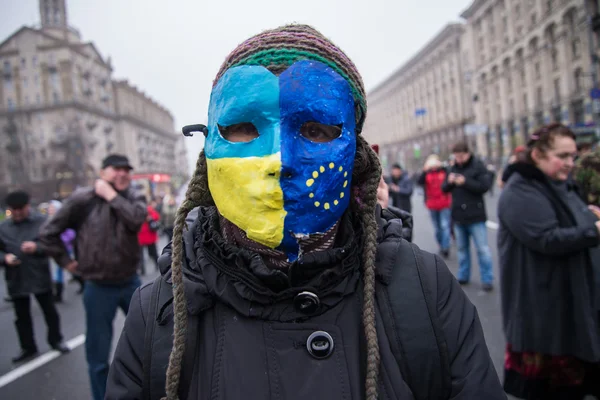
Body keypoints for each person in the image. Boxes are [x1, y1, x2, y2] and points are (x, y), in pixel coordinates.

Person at [105, 24, 504, 400]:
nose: (280, 160)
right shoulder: (156, 315)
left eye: (315, 130)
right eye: (243, 128)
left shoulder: (425, 288)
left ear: (356, 156)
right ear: (208, 147)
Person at [498, 123, 600, 399]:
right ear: (538, 155)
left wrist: (588, 216)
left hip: (571, 303)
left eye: (573, 156)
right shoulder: (520, 191)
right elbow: (547, 238)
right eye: (562, 156)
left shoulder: (560, 184)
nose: (570, 163)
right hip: (543, 312)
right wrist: (594, 229)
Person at [39, 154, 147, 400]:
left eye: (126, 170)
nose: (122, 174)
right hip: (98, 287)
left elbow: (136, 220)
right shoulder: (82, 199)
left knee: (151, 341)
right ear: (102, 172)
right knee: (98, 355)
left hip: (131, 282)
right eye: (115, 169)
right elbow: (48, 233)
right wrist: (67, 263)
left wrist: (111, 196)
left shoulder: (133, 195)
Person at [0, 191, 69, 363]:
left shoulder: (41, 222)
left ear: (27, 207)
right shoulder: (4, 228)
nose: (17, 213)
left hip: (38, 273)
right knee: (21, 316)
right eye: (13, 210)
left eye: (20, 209)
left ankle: (56, 340)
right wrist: (5, 258)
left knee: (49, 311)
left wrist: (36, 248)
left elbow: (53, 245)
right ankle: (28, 347)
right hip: (16, 277)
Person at [442, 142, 494, 291]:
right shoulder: (452, 168)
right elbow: (444, 188)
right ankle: (463, 275)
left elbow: (484, 187)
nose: (458, 159)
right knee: (462, 249)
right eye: (456, 157)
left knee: (482, 249)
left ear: (467, 153)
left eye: (461, 156)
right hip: (458, 215)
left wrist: (465, 182)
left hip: (476, 215)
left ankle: (487, 278)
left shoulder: (477, 166)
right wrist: (451, 182)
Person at [418, 155, 452, 258]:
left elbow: (450, 174)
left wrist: (442, 166)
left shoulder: (444, 171)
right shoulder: (427, 173)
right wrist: (424, 170)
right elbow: (419, 182)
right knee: (437, 227)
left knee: (444, 225)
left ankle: (445, 246)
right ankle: (441, 244)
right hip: (432, 203)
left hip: (444, 203)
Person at [138, 203, 160, 275]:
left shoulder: (148, 209)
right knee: (140, 255)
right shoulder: (137, 210)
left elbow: (156, 216)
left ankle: (158, 265)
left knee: (153, 252)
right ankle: (142, 269)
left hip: (149, 235)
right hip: (141, 236)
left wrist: (150, 218)